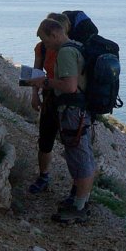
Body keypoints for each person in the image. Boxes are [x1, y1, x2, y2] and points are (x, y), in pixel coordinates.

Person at [27, 18, 95, 223]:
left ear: (54, 34)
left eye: (45, 40)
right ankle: (80, 202)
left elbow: (69, 86)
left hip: (73, 111)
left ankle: (79, 208)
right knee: (82, 155)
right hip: (82, 109)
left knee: (80, 157)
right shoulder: (78, 46)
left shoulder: (65, 52)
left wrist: (44, 82)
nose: (45, 45)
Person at [27, 13, 71, 195]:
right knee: (45, 140)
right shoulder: (42, 48)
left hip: (69, 101)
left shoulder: (70, 49)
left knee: (72, 143)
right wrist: (34, 94)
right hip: (50, 98)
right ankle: (43, 176)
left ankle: (78, 187)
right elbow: (37, 70)